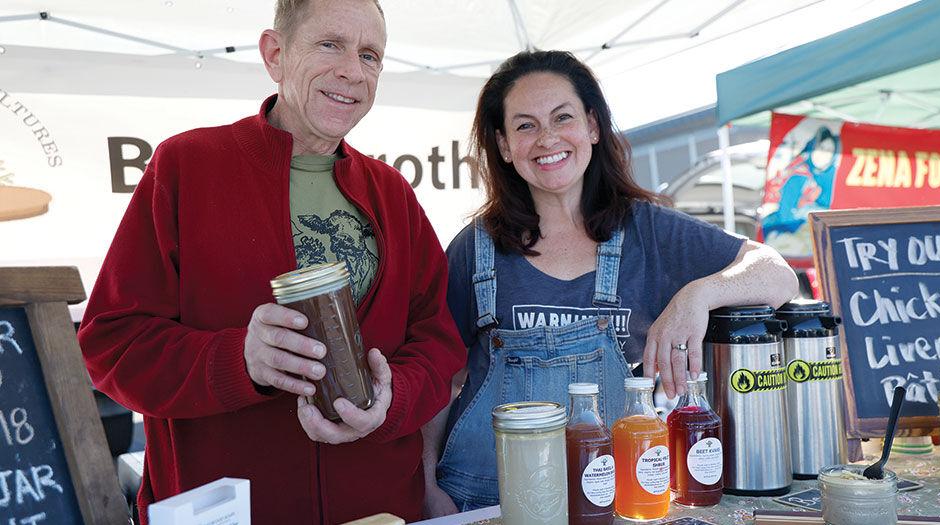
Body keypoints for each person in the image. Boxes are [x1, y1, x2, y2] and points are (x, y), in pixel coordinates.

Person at [77, 0, 465, 523]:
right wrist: (240, 360)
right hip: (226, 511)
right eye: (330, 44)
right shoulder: (186, 167)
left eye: (370, 55)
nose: (352, 69)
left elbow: (438, 343)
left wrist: (393, 399)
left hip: (379, 510)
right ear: (275, 53)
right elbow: (111, 343)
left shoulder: (391, 191)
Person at [421, 50, 799, 514]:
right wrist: (425, 484)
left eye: (563, 118)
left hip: (616, 502)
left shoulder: (650, 233)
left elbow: (778, 273)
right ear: (502, 145)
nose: (547, 138)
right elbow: (435, 377)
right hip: (486, 502)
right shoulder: (474, 249)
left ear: (593, 127)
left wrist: (698, 294)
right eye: (525, 126)